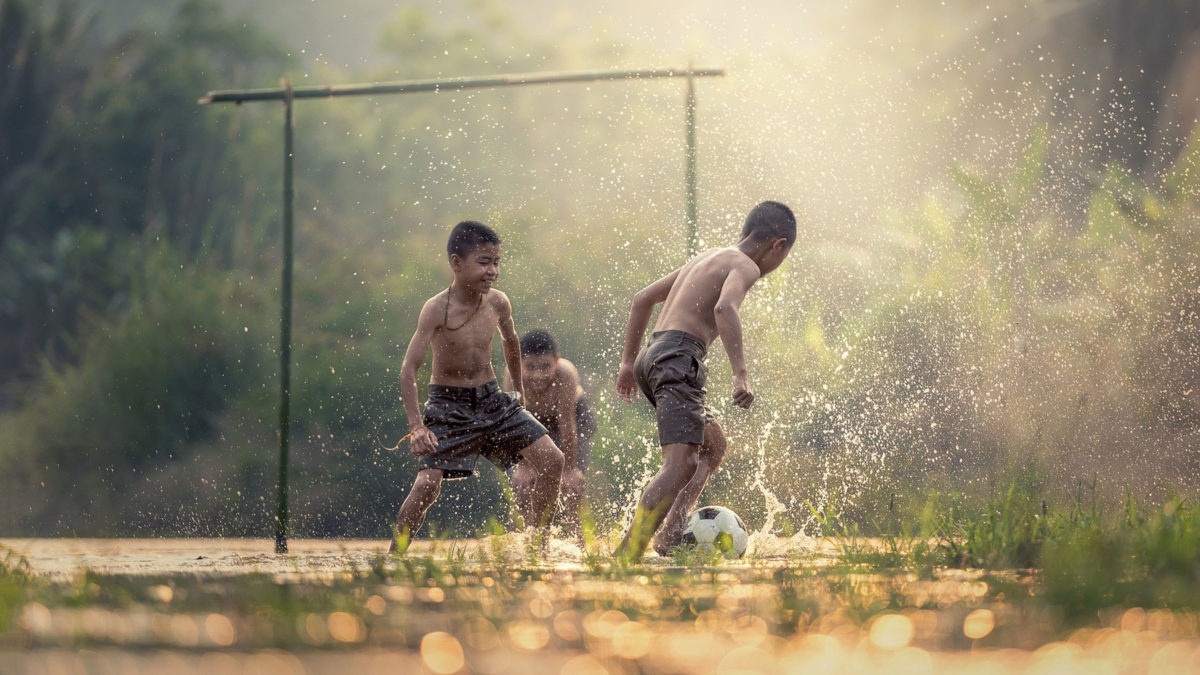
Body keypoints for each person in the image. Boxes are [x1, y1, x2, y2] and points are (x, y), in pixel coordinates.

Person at [613, 201, 796, 561]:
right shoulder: (745, 266)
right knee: (680, 464)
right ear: (778, 245)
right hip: (679, 357)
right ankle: (625, 557)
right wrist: (740, 376)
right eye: (783, 255)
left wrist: (627, 362)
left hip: (654, 355)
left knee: (713, 445)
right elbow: (724, 309)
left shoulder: (710, 257)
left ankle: (670, 533)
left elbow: (642, 300)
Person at [391, 221, 564, 554]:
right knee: (427, 485)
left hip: (492, 400)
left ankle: (538, 546)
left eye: (496, 262)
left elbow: (511, 342)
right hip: (448, 406)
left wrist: (519, 397)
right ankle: (394, 557)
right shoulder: (436, 310)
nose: (493, 271)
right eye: (484, 262)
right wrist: (416, 427)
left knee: (553, 460)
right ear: (457, 263)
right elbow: (409, 368)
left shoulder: (498, 302)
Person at [504, 330, 596, 535]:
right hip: (530, 421)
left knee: (572, 486)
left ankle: (581, 540)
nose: (538, 375)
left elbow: (567, 423)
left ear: (557, 361)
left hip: (572, 419)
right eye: (530, 367)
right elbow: (515, 423)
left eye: (546, 366)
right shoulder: (512, 375)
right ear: (520, 364)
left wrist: (570, 469)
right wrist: (523, 467)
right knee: (524, 485)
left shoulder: (566, 373)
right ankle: (524, 537)